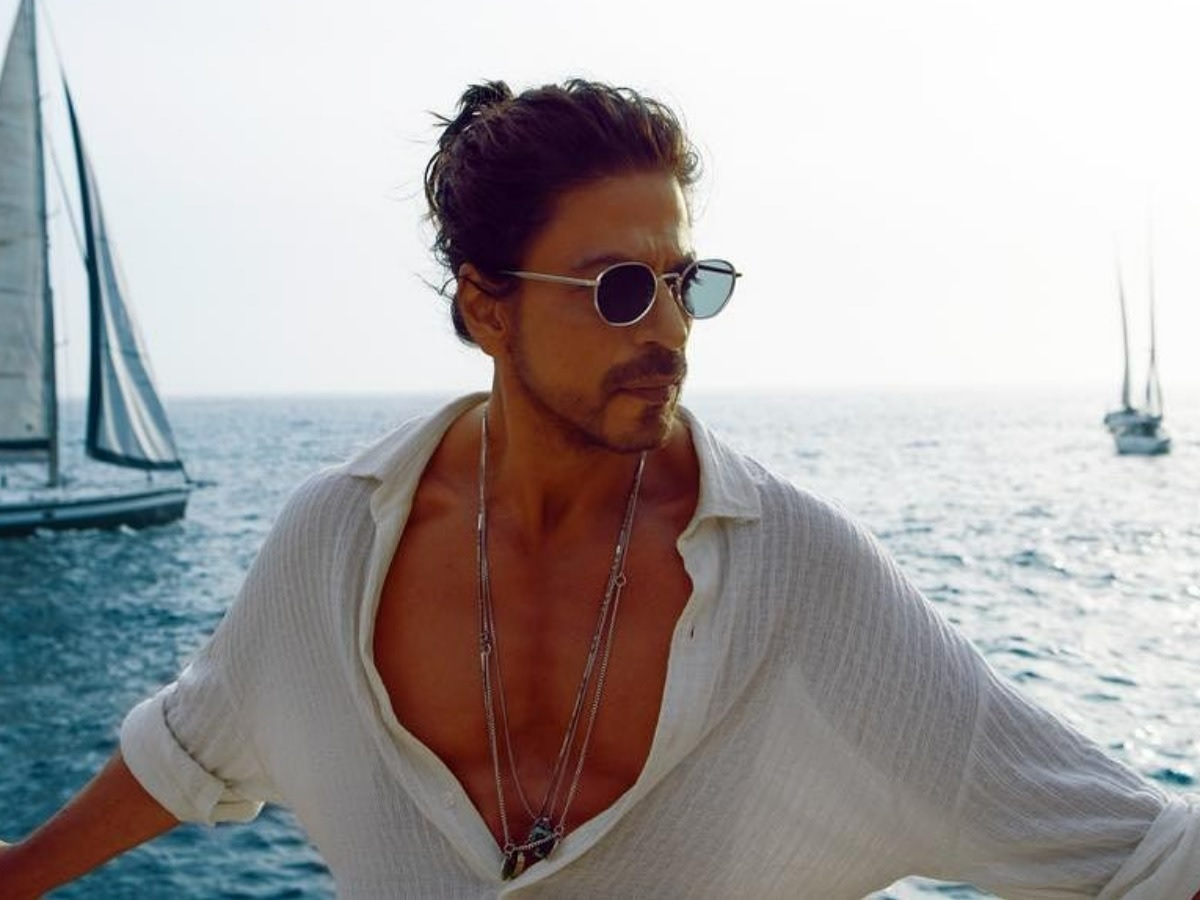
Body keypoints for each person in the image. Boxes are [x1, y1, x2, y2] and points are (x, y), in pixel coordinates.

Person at [1, 77, 1198, 899]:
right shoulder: (338, 541)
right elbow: (194, 745)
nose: (669, 330)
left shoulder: (795, 574)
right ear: (486, 307)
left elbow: (1137, 854)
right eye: (620, 289)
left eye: (687, 282)